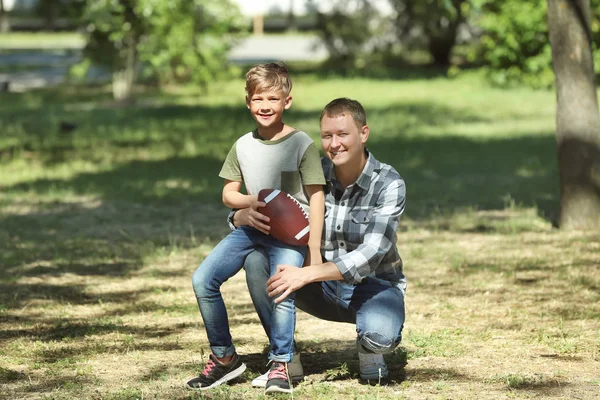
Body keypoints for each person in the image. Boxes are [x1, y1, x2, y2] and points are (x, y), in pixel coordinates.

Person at [231, 97, 406, 386]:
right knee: (256, 261)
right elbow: (276, 211)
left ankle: (369, 350)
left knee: (380, 336)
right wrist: (238, 216)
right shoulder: (308, 174)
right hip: (319, 287)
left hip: (374, 288)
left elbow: (372, 253)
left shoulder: (388, 183)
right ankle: (286, 360)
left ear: (364, 133)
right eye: (327, 136)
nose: (334, 144)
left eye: (342, 134)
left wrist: (308, 272)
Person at [186, 62, 325, 394]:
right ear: (248, 102)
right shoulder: (242, 146)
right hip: (250, 229)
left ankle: (281, 364)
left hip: (290, 236)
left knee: (281, 288)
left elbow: (316, 199)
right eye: (259, 99)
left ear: (286, 102)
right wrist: (246, 207)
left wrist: (315, 252)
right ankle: (224, 359)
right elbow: (227, 193)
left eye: (273, 99)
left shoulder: (301, 144)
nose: (265, 106)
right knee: (203, 280)